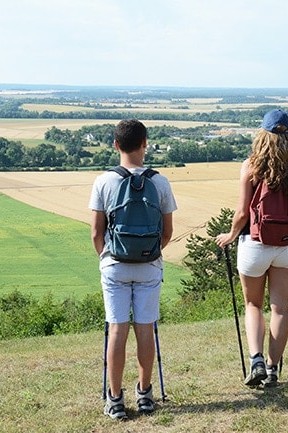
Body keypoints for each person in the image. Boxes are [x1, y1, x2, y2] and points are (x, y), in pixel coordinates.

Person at [89, 119, 177, 420]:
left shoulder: (103, 182)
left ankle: (114, 399)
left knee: (117, 329)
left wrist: (108, 257)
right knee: (145, 329)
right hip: (150, 266)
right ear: (145, 143)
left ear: (116, 145)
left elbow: (96, 234)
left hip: (114, 264)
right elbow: (167, 232)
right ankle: (145, 394)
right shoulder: (160, 182)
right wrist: (149, 254)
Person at [216, 109, 288, 388]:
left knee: (253, 304)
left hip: (254, 245)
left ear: (262, 135)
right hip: (287, 248)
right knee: (280, 308)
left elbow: (243, 213)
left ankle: (256, 358)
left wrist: (231, 236)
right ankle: (272, 370)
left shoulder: (251, 166)